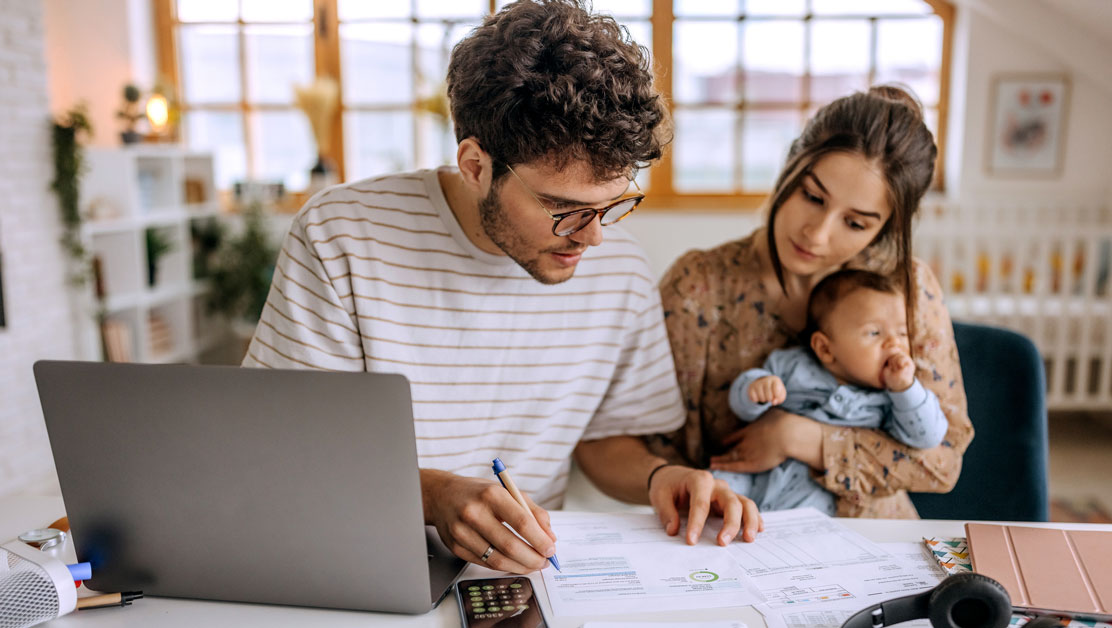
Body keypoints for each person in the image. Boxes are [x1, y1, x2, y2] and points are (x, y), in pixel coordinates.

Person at [242, 0, 761, 576]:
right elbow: (284, 451)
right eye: (563, 209)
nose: (593, 240)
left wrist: (663, 477)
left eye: (612, 205)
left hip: (527, 579)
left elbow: (603, 441)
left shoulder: (620, 270)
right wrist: (434, 496)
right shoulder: (342, 234)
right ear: (474, 164)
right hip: (361, 559)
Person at [648, 85, 975, 519]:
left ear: (885, 228)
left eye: (855, 223)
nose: (817, 234)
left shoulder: (908, 288)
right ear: (789, 166)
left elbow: (942, 460)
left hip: (874, 547)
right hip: (732, 537)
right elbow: (652, 449)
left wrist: (798, 437)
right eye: (812, 197)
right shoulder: (698, 286)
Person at [717, 269, 949, 513]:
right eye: (874, 333)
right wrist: (755, 390)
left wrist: (905, 389)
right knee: (716, 486)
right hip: (756, 474)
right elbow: (742, 409)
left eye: (903, 333)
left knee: (807, 522)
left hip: (814, 489)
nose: (895, 343)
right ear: (825, 349)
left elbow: (928, 437)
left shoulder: (892, 400)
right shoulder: (793, 365)